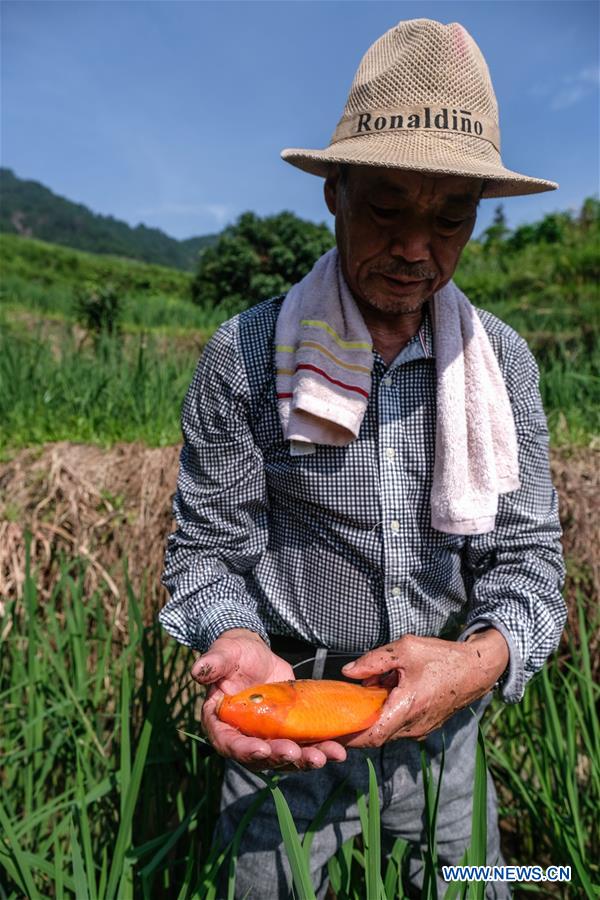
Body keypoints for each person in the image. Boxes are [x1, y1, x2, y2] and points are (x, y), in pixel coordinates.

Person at [160, 18, 566, 899]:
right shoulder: (248, 354)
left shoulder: (502, 367)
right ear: (334, 191)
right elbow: (205, 552)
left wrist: (479, 663)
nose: (418, 248)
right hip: (288, 721)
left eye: (452, 216)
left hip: (443, 740)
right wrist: (234, 639)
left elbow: (529, 568)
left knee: (478, 885)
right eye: (387, 207)